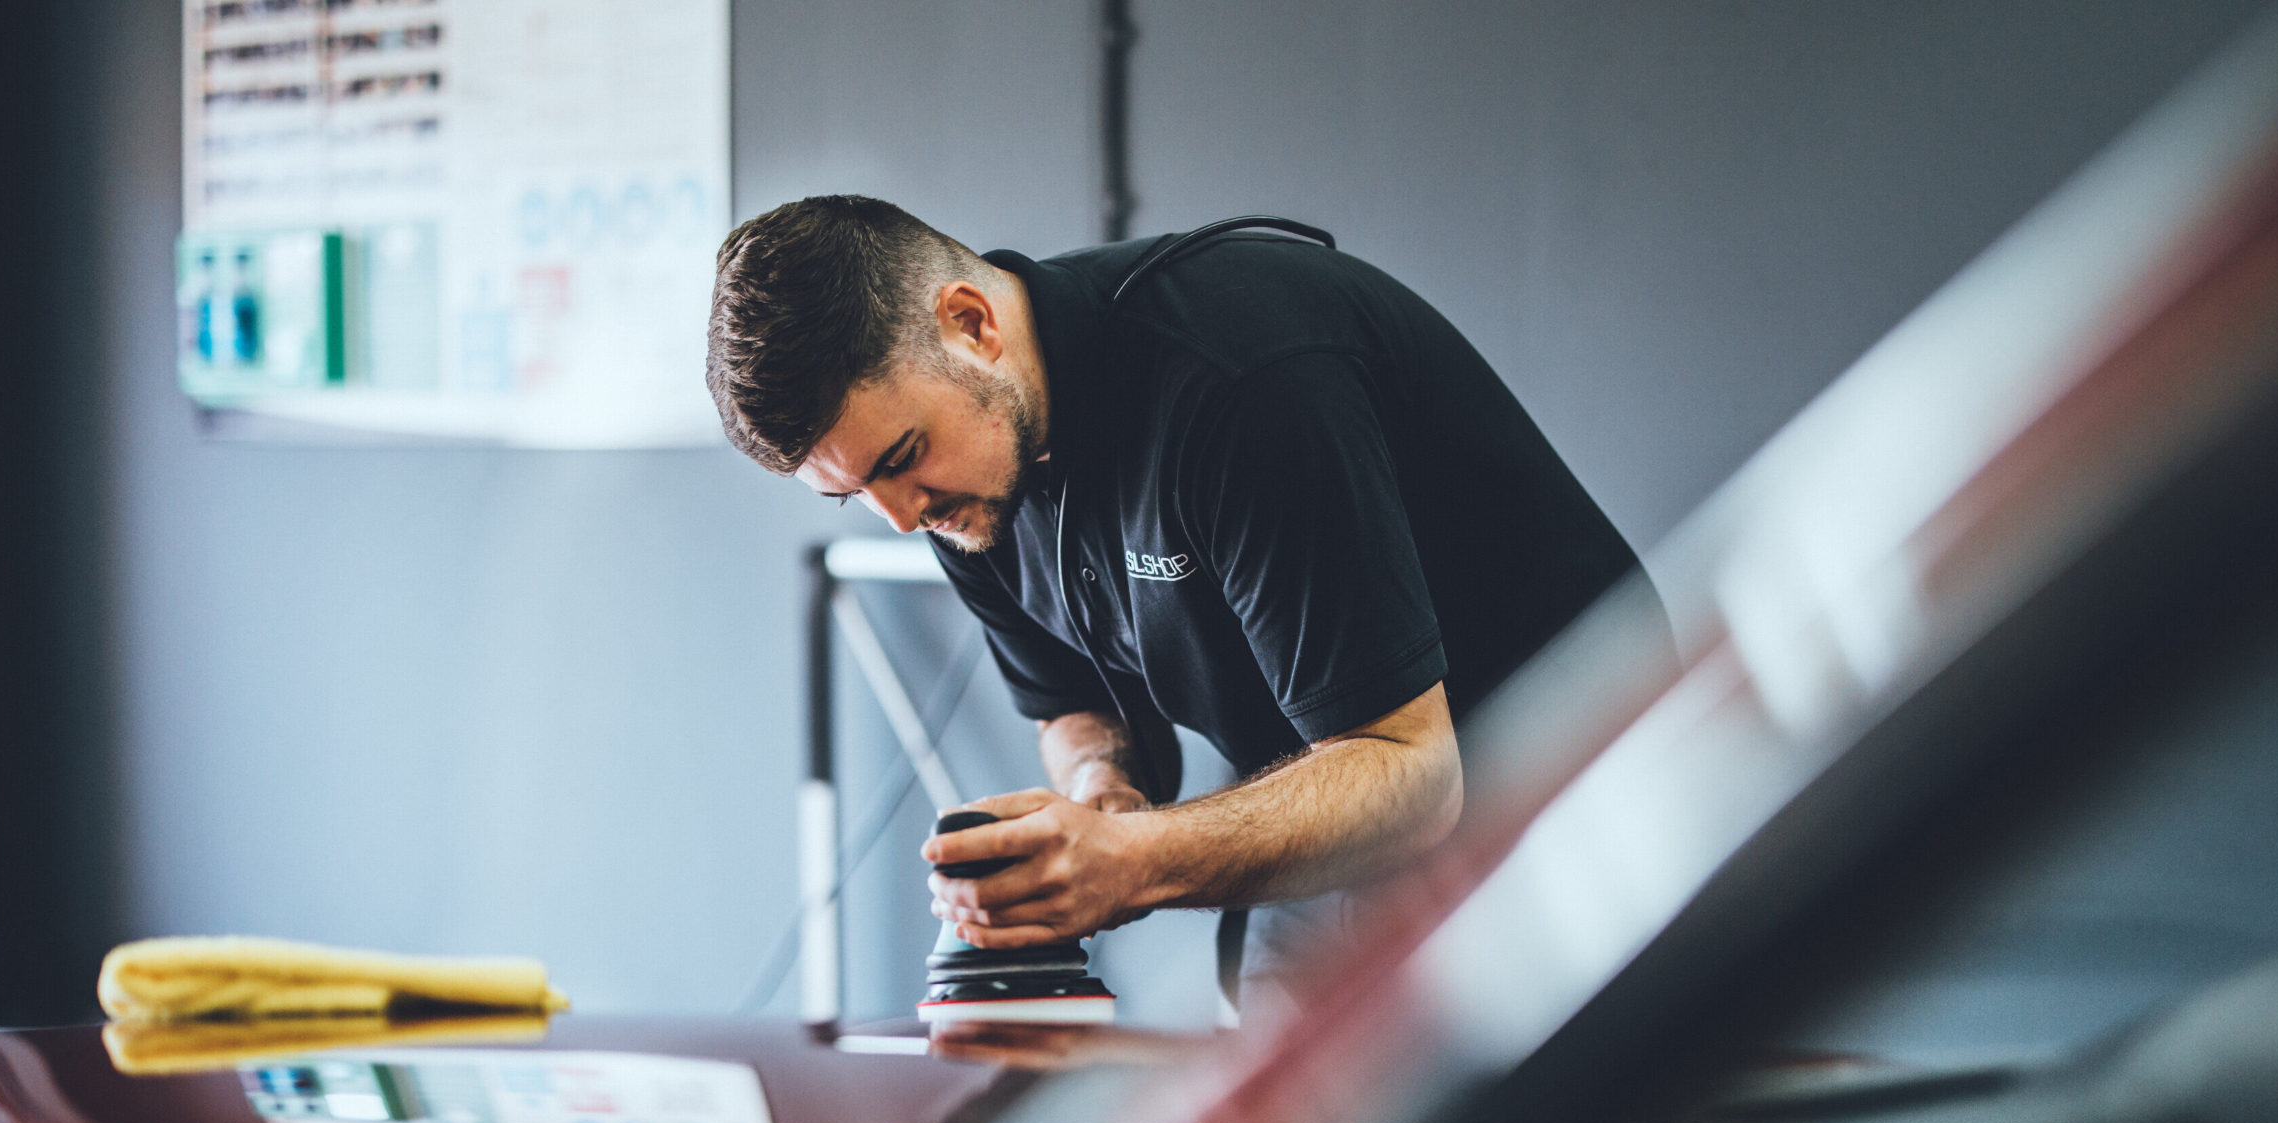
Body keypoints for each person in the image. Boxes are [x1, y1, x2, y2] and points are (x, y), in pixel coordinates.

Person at [706, 196, 1660, 1016]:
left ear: (971, 324)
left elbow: (1412, 773)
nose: (901, 517)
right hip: (1338, 814)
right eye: (852, 496)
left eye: (901, 458)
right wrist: (1099, 800)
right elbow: (1077, 709)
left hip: (1583, 813)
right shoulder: (961, 485)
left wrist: (1129, 857)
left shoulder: (1238, 380)